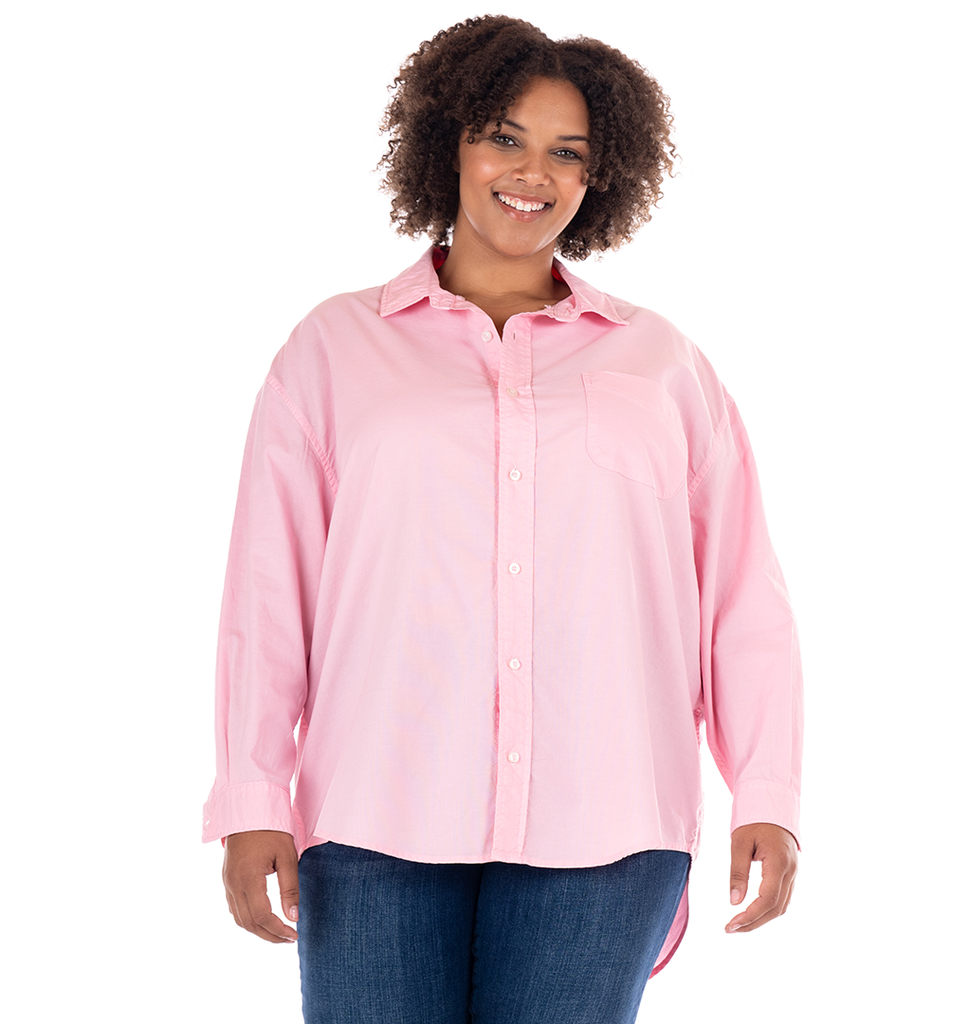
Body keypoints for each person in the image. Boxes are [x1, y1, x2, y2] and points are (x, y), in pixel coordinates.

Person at [203, 14, 802, 1024]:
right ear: (449, 143)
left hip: (608, 826)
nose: (533, 173)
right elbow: (269, 594)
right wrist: (251, 795)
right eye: (504, 137)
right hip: (377, 813)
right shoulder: (333, 349)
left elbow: (743, 598)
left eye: (569, 151)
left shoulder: (661, 363)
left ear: (601, 176)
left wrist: (769, 792)